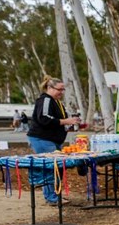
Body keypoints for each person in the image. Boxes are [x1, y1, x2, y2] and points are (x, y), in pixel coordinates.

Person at [27, 77, 81, 205]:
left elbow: (59, 121)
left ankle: (55, 195)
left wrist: (71, 124)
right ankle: (52, 197)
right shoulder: (45, 100)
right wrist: (66, 121)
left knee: (57, 166)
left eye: (63, 90)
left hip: (53, 139)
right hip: (42, 138)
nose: (61, 92)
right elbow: (44, 118)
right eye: (59, 89)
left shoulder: (57, 102)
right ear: (50, 88)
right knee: (52, 166)